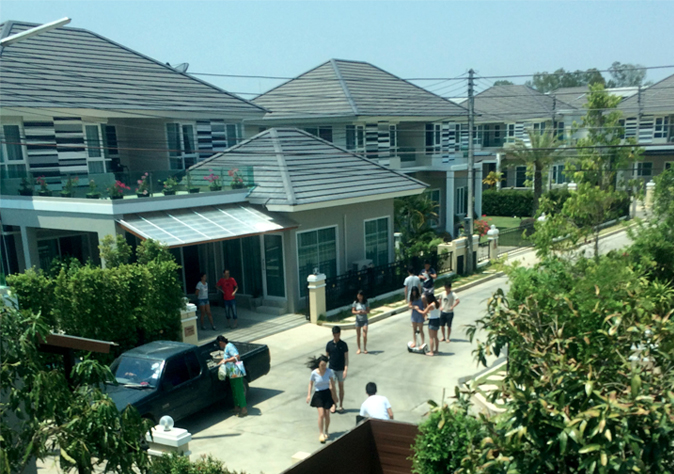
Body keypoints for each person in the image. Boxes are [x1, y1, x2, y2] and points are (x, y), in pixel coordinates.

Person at [306, 355, 338, 443]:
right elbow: (310, 384)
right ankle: (321, 433)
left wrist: (335, 396)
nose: (323, 367)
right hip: (318, 394)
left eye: (325, 365)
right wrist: (308, 395)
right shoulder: (314, 373)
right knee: (321, 415)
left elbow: (332, 384)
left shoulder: (329, 372)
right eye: (322, 365)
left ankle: (326, 430)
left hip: (327, 393)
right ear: (318, 365)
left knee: (327, 414)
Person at [216, 335, 247, 417]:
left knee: (239, 390)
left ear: (221, 342)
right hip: (232, 373)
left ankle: (244, 409)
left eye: (219, 344)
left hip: (236, 372)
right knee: (234, 390)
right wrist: (218, 364)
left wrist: (227, 360)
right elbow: (224, 359)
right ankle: (236, 407)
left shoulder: (230, 346)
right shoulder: (226, 348)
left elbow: (237, 357)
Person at [325, 326, 348, 413]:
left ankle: (341, 404)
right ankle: (334, 403)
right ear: (333, 334)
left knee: (341, 387)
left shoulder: (343, 345)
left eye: (338, 335)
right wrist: (323, 369)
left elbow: (346, 359)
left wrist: (345, 369)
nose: (336, 337)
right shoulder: (329, 344)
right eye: (335, 335)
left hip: (341, 369)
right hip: (332, 369)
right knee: (331, 387)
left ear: (340, 334)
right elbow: (326, 357)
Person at [352, 290, 370, 354]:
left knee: (364, 335)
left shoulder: (365, 302)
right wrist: (357, 312)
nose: (359, 297)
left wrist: (364, 312)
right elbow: (353, 311)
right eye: (358, 296)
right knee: (358, 335)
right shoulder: (355, 302)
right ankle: (359, 348)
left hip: (364, 320)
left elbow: (368, 311)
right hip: (358, 320)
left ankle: (365, 348)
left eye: (361, 296)